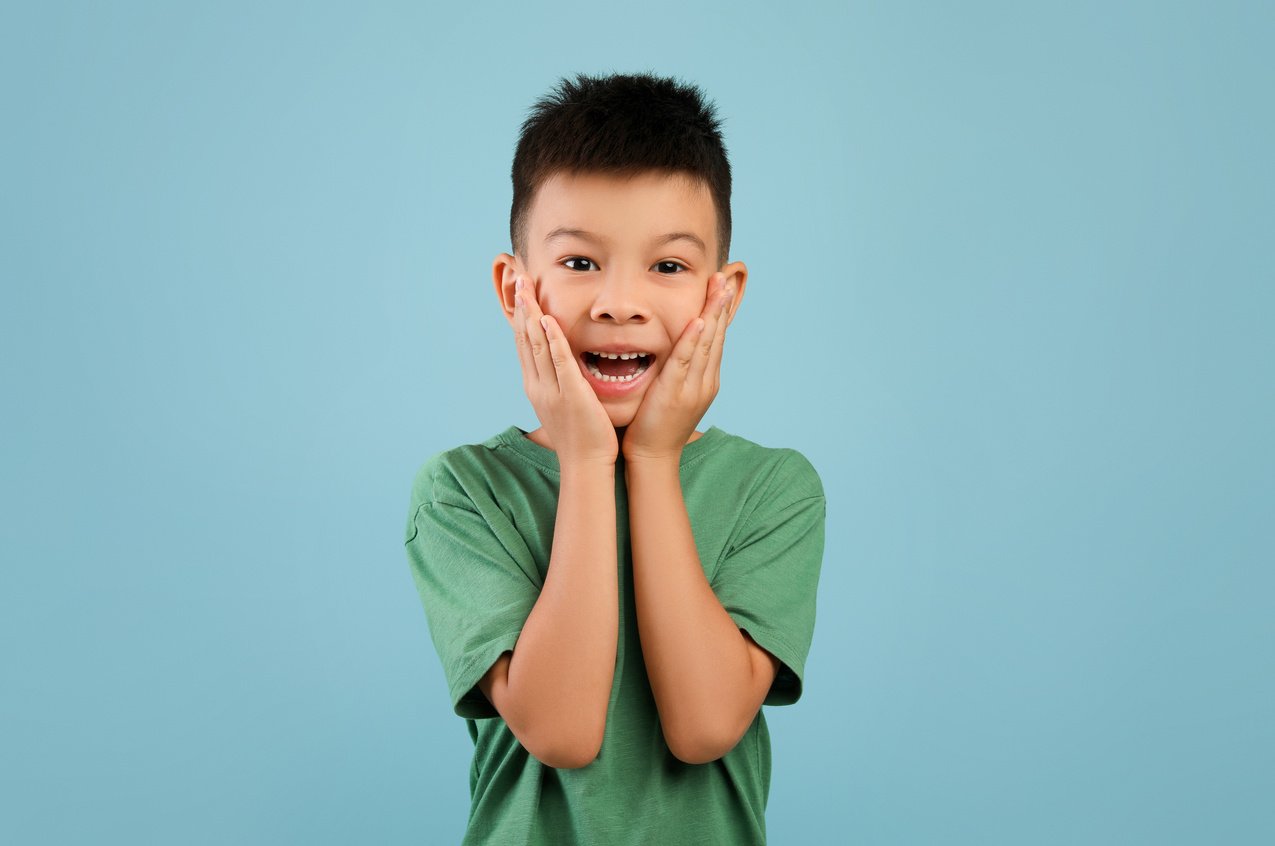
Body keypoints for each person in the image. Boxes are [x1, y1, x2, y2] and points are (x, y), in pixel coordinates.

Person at [403, 71, 825, 845]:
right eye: (578, 263)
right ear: (514, 288)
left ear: (720, 296)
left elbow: (703, 727)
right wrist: (588, 463)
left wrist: (654, 462)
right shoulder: (463, 492)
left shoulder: (774, 489)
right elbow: (561, 732)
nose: (618, 303)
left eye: (667, 267)